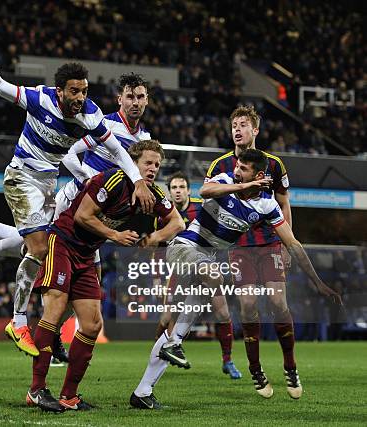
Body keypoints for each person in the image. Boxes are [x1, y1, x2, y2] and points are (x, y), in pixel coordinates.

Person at [0, 40, 155, 357]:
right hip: (23, 176)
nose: (80, 98)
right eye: (74, 91)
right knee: (38, 247)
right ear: (59, 91)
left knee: (42, 246)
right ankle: (18, 321)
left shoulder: (94, 116)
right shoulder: (38, 98)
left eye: (84, 91)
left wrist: (138, 183)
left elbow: (118, 151)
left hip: (49, 184)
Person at [130, 149, 340, 409]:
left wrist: (317, 282)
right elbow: (205, 191)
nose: (237, 171)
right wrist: (243, 183)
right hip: (184, 249)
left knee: (178, 326)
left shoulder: (266, 205)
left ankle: (143, 391)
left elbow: (293, 243)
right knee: (213, 276)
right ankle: (173, 344)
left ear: (260, 175)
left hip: (205, 265)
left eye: (244, 169)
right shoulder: (223, 180)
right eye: (237, 167)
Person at [27, 140, 185, 412]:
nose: (153, 169)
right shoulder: (112, 179)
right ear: (133, 163)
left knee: (91, 325)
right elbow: (81, 216)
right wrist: (115, 235)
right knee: (54, 310)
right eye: (148, 162)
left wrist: (155, 237)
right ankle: (36, 390)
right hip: (63, 242)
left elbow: (178, 222)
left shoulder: (155, 194)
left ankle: (69, 395)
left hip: (87, 255)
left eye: (157, 165)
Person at [205, 105, 298, 397]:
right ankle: (255, 369)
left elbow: (284, 203)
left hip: (270, 241)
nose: (237, 129)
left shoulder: (273, 164)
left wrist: (287, 243)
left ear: (255, 130)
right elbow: (207, 194)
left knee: (278, 302)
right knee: (247, 306)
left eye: (244, 124)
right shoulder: (221, 165)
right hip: (239, 245)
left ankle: (290, 367)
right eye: (234, 124)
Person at [154, 171, 242, 379]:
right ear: (169, 191)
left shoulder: (201, 207)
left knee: (223, 313)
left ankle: (227, 360)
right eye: (174, 187)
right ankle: (158, 353)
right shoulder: (164, 214)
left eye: (181, 187)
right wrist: (157, 276)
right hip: (179, 267)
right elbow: (158, 248)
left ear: (188, 190)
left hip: (205, 265)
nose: (178, 191)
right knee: (167, 317)